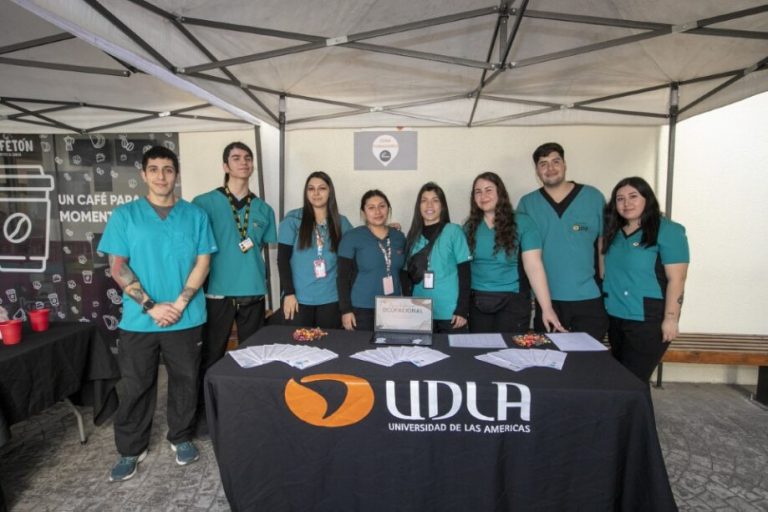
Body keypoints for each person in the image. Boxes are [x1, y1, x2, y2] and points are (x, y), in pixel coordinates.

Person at [98, 146, 217, 482]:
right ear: (144, 174)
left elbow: (203, 263)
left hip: (186, 317)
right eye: (154, 169)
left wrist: (178, 304)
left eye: (167, 169)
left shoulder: (195, 216)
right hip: (140, 319)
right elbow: (117, 266)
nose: (161, 176)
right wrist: (151, 306)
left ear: (176, 174)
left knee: (185, 381)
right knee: (136, 386)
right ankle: (131, 449)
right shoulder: (125, 216)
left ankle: (180, 437)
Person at [192, 142, 276, 429]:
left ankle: (248, 407)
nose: (243, 162)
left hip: (253, 290)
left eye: (248, 158)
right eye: (236, 158)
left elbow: (263, 246)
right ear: (226, 166)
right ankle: (207, 411)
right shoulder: (203, 203)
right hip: (217, 291)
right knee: (212, 354)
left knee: (252, 355)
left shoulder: (264, 208)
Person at [517, 142, 608, 341]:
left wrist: (605, 287)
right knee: (552, 361)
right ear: (537, 171)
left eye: (555, 161)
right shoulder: (527, 204)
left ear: (565, 165)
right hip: (548, 300)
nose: (550, 168)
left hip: (589, 298)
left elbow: (604, 245)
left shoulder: (593, 197)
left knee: (588, 362)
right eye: (543, 164)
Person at [602, 176, 689, 383]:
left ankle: (638, 417)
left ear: (647, 199)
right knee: (621, 379)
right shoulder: (614, 232)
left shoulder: (669, 231)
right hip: (616, 316)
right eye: (620, 199)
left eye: (633, 196)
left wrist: (671, 318)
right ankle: (625, 416)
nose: (626, 203)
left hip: (647, 321)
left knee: (633, 381)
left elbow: (677, 279)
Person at [464, 172, 564, 333]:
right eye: (478, 191)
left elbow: (534, 267)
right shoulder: (469, 228)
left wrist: (547, 309)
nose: (483, 196)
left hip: (513, 302)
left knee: (510, 353)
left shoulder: (524, 223)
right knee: (480, 353)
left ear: (500, 193)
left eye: (489, 190)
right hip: (478, 303)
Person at [277, 172, 352, 328]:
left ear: (330, 192)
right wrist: (289, 293)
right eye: (311, 189)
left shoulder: (341, 222)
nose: (316, 193)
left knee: (329, 348)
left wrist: (383, 229)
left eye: (322, 188)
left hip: (331, 299)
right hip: (298, 300)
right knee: (298, 348)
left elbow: (358, 245)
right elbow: (282, 260)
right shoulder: (293, 220)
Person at [403, 182, 471, 333]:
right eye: (424, 200)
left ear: (442, 206)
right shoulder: (413, 236)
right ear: (418, 206)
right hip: (419, 311)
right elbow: (406, 276)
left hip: (450, 313)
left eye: (435, 200)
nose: (429, 205)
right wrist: (407, 308)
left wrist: (462, 309)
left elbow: (465, 273)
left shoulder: (453, 231)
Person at [337, 190, 406, 331]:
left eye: (382, 206)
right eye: (371, 207)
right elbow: (342, 277)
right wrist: (345, 310)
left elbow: (403, 274)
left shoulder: (399, 237)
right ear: (363, 213)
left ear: (389, 209)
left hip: (393, 308)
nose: (377, 212)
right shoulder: (352, 237)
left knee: (391, 350)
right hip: (361, 309)